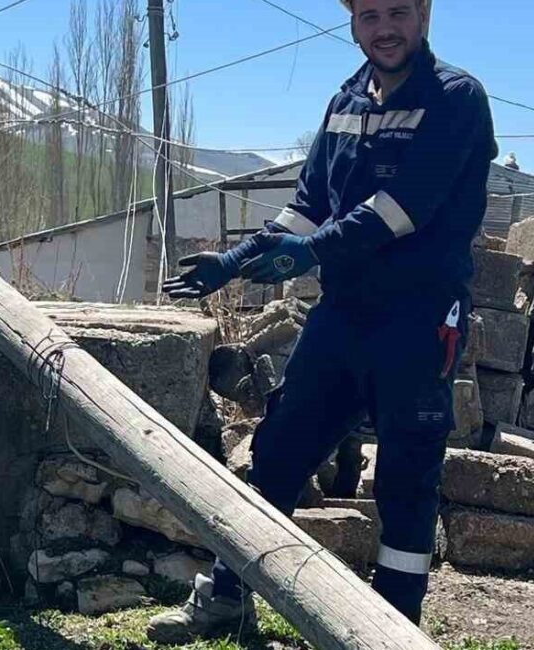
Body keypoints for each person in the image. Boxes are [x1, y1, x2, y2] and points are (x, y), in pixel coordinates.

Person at [150, 0, 496, 643]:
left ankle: (391, 628)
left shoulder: (455, 97)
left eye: (397, 12)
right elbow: (309, 207)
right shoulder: (345, 103)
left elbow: (403, 207)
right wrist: (233, 260)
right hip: (343, 315)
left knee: (404, 474)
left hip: (420, 318)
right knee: (277, 451)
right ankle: (227, 596)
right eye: (368, 15)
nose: (383, 27)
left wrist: (309, 253)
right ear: (352, 23)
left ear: (423, 14)